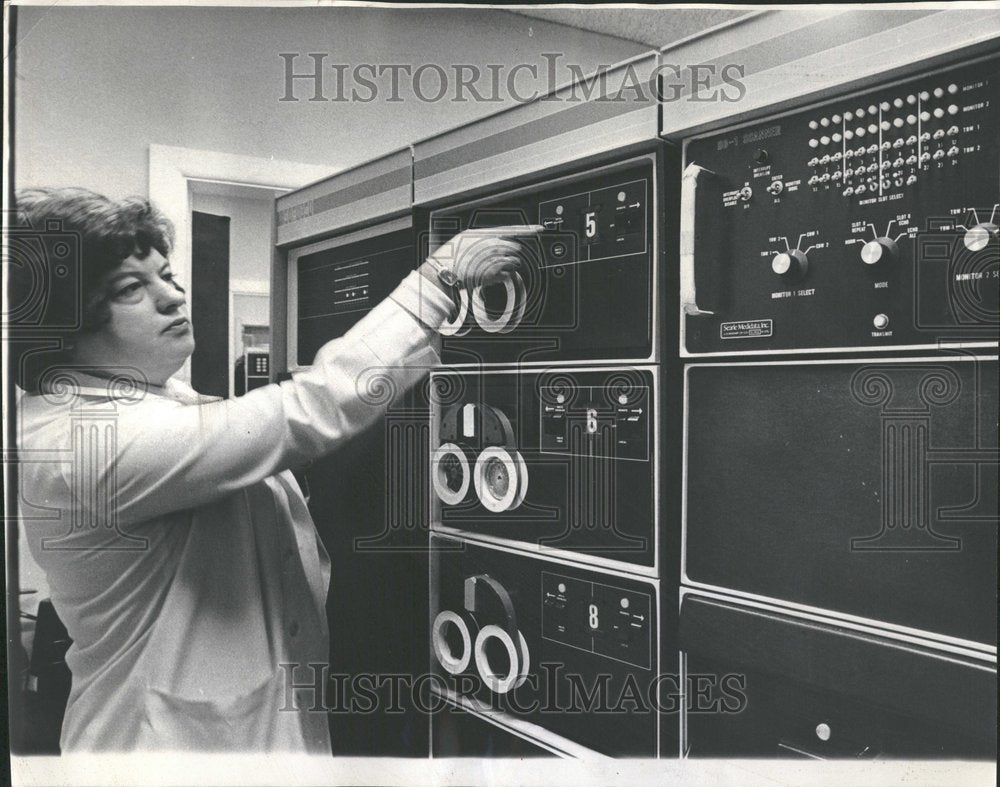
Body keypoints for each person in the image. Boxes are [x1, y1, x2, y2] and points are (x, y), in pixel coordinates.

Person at [12, 186, 538, 752]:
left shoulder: (151, 400)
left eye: (166, 275)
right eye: (131, 288)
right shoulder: (80, 443)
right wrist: (439, 282)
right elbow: (303, 412)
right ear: (62, 324)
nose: (171, 297)